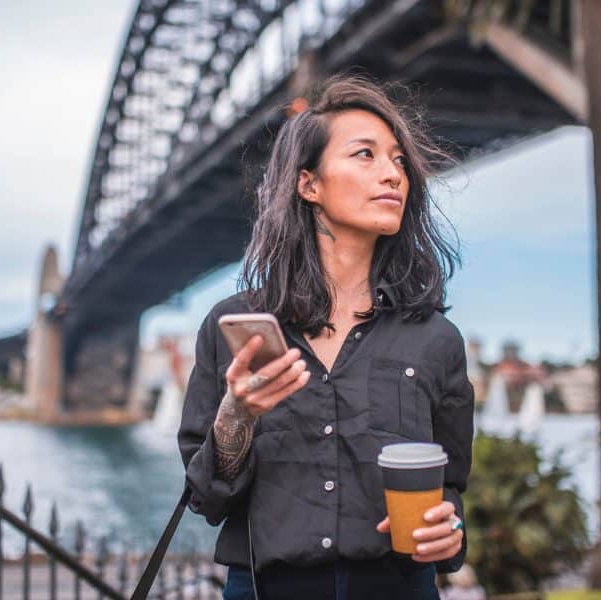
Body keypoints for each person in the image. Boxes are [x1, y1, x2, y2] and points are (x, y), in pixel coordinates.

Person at [178, 74, 474, 600]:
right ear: (308, 184)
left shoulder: (436, 339)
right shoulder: (235, 329)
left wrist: (448, 536)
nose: (393, 175)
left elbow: (449, 493)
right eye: (366, 155)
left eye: (399, 161)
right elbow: (208, 499)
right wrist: (236, 418)